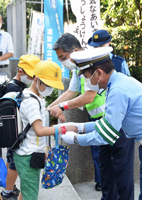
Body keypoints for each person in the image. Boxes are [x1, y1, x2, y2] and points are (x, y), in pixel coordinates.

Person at [61, 47, 142, 200]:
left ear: (99, 73)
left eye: (87, 77)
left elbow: (105, 136)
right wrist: (79, 127)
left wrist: (75, 139)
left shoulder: (118, 89)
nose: (87, 82)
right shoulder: (117, 83)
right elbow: (107, 124)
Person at [14, 60, 78, 200]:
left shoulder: (33, 96)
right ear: (36, 79)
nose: (50, 89)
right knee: (30, 195)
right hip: (28, 156)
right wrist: (62, 128)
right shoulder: (31, 101)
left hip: (29, 153)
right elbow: (39, 131)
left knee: (25, 192)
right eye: (48, 85)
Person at [48, 33, 102, 191]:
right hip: (94, 117)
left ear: (75, 50)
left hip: (108, 116)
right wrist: (49, 107)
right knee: (97, 152)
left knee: (108, 156)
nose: (62, 62)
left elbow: (88, 97)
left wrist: (62, 107)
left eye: (63, 57)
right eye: (59, 58)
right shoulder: (77, 68)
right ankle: (102, 183)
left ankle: (107, 185)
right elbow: (70, 92)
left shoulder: (91, 63)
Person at [86, 30, 134, 199]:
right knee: (104, 162)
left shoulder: (119, 63)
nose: (98, 48)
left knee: (122, 166)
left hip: (120, 121)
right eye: (95, 46)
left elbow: (127, 88)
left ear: (110, 44)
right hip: (101, 118)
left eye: (101, 45)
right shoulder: (90, 63)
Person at [0, 55, 40, 200]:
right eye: (30, 74)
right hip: (16, 136)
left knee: (13, 163)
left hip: (15, 136)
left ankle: (9, 191)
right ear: (20, 71)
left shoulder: (18, 86)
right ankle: (6, 193)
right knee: (15, 164)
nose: (32, 77)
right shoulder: (14, 88)